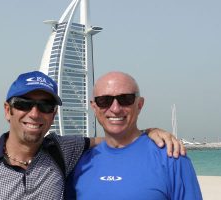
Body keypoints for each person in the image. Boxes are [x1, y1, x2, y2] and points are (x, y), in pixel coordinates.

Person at [0, 71, 184, 199]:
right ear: (8, 110)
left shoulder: (62, 152)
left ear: (54, 114)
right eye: (24, 104)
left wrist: (150, 132)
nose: (35, 113)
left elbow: (114, 137)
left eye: (46, 106)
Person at [65, 71, 202, 200]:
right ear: (94, 107)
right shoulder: (79, 162)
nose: (115, 109)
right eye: (104, 101)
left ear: (140, 104)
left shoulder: (171, 157)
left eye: (125, 99)